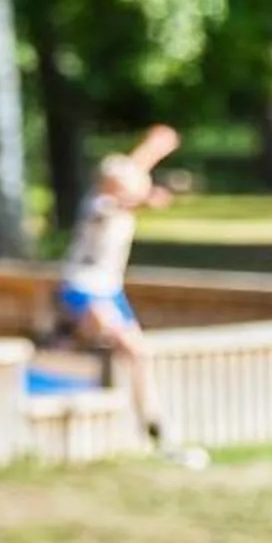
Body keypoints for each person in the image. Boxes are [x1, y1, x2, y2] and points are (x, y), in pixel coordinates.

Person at [58, 125, 205, 465]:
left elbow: (133, 170)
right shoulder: (100, 203)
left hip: (110, 290)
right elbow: (128, 198)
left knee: (140, 355)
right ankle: (66, 337)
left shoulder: (117, 183)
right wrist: (151, 198)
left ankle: (154, 426)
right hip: (82, 288)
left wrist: (155, 147)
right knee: (126, 346)